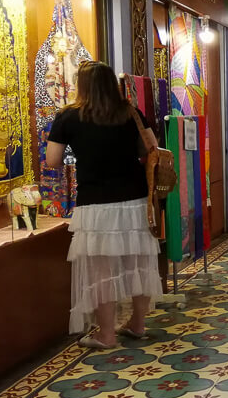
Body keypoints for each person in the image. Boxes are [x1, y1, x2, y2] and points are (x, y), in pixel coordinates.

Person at [46, 61, 163, 349]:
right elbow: (153, 146)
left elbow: (52, 160)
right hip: (135, 198)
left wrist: (84, 155)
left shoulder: (68, 117)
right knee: (139, 261)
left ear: (81, 85)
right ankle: (137, 323)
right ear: (112, 84)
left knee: (101, 270)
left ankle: (106, 333)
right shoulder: (130, 111)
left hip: (95, 202)